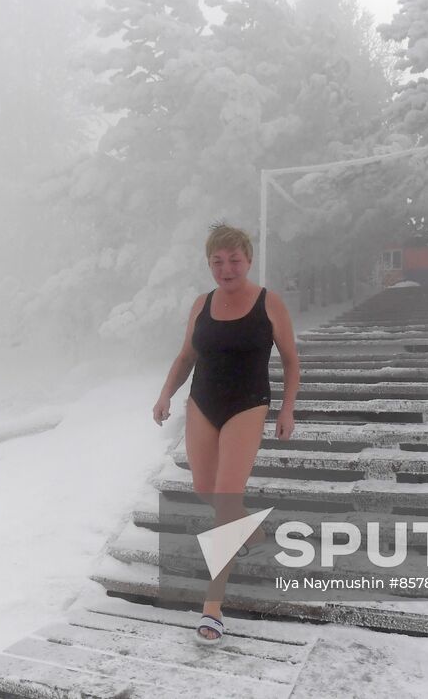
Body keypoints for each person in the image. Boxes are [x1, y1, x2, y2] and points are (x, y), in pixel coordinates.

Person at [151, 221, 299, 644]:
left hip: (248, 405)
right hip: (202, 402)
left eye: (234, 260)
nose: (226, 268)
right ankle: (253, 530)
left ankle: (212, 608)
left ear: (248, 261)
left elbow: (291, 360)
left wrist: (287, 408)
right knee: (204, 487)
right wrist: (165, 394)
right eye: (217, 261)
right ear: (209, 265)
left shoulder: (270, 304)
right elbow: (186, 357)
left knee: (225, 501)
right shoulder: (202, 303)